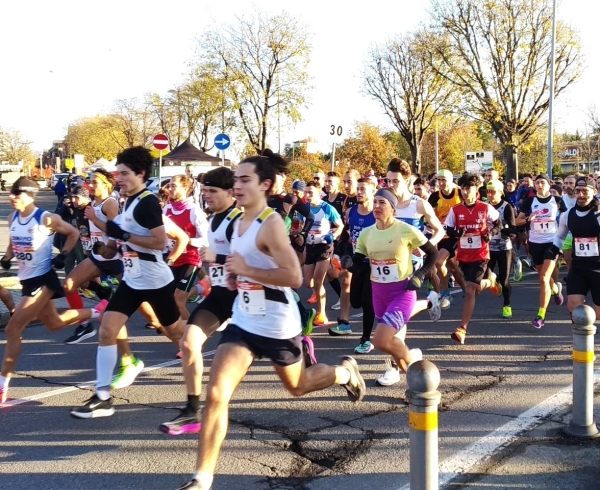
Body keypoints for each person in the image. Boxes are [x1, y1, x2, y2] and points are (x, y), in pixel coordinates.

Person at [176, 151, 365, 490]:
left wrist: (246, 270)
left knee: (298, 386)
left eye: (244, 180)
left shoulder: (270, 222)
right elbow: (240, 264)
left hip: (278, 322)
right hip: (246, 319)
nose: (237, 185)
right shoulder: (237, 222)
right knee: (217, 393)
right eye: (235, 179)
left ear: (264, 185)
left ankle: (343, 372)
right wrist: (235, 278)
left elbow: (293, 276)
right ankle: (201, 478)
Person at [70, 147, 185, 418]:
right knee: (108, 330)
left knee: (177, 334)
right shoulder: (126, 205)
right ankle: (102, 397)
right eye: (117, 173)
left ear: (141, 174)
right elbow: (112, 247)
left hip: (156, 281)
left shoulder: (146, 202)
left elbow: (159, 241)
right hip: (133, 281)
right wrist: (102, 248)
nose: (118, 178)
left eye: (124, 174)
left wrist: (122, 234)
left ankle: (205, 358)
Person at [0, 178, 108, 405]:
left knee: (13, 328)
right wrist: (8, 257)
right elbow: (12, 241)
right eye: (11, 192)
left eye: (17, 193)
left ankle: (3, 386)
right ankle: (97, 312)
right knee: (55, 324)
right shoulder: (12, 218)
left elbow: (73, 233)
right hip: (27, 281)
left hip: (44, 279)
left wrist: (62, 255)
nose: (12, 197)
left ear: (30, 195)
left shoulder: (46, 218)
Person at [160, 166, 242, 436]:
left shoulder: (240, 221)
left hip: (248, 299)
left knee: (296, 380)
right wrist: (208, 278)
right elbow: (214, 259)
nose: (206, 195)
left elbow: (253, 263)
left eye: (212, 191)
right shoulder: (213, 219)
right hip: (220, 295)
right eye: (204, 190)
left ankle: (334, 369)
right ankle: (192, 408)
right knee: (188, 341)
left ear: (231, 193)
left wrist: (215, 259)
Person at [344, 187, 438, 374]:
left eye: (382, 202)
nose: (377, 206)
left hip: (402, 292)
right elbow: (359, 266)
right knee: (397, 354)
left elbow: (433, 254)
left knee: (380, 340)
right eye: (375, 202)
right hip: (378, 294)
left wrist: (419, 275)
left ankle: (414, 357)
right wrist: (348, 264)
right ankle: (412, 377)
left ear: (393, 208)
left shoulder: (405, 230)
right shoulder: (366, 234)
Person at [445, 173, 503, 344]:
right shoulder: (455, 210)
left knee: (470, 290)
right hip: (463, 255)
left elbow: (499, 223)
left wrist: (490, 234)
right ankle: (491, 281)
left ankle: (462, 329)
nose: (464, 191)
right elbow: (448, 230)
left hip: (481, 254)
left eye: (468, 188)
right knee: (475, 290)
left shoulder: (485, 208)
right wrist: (457, 233)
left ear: (476, 189)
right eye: (462, 188)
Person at [515, 174, 566, 328]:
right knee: (544, 278)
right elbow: (517, 221)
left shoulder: (556, 201)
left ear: (549, 184)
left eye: (542, 182)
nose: (539, 185)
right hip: (535, 243)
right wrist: (528, 219)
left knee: (544, 278)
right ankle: (556, 290)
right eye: (537, 183)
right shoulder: (530, 201)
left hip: (552, 242)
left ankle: (540, 316)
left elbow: (566, 219)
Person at [546, 176, 600, 317]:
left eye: (584, 191)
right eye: (578, 191)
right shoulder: (568, 214)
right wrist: (553, 250)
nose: (580, 195)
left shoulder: (598, 214)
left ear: (594, 191)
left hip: (598, 268)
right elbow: (560, 236)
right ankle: (579, 338)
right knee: (573, 305)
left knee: (598, 312)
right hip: (578, 266)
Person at [334, 178, 376, 352]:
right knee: (355, 301)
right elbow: (347, 235)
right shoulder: (350, 211)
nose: (359, 192)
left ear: (373, 191)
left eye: (363, 189)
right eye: (358, 189)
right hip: (356, 261)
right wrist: (341, 253)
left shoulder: (377, 212)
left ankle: (365, 340)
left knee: (367, 302)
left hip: (373, 263)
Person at [163, 175, 209, 317]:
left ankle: (188, 332)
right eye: (169, 185)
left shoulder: (194, 211)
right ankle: (203, 287)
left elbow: (207, 240)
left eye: (173, 186)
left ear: (185, 188)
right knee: (167, 299)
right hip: (173, 258)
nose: (169, 189)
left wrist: (187, 240)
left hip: (191, 259)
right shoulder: (166, 210)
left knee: (178, 299)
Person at [301, 181, 343, 326]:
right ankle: (333, 267)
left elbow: (340, 225)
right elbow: (301, 226)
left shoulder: (327, 208)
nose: (307, 195)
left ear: (319, 194)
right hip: (310, 246)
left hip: (324, 247)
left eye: (310, 193)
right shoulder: (304, 208)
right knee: (308, 283)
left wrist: (333, 235)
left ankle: (321, 314)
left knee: (318, 282)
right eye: (305, 192)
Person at [428, 169, 468, 309]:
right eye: (439, 180)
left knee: (439, 262)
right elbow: (429, 215)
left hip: (456, 235)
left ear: (451, 180)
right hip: (441, 235)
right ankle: (465, 290)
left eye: (444, 180)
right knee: (453, 267)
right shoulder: (434, 196)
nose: (441, 183)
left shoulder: (459, 193)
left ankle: (446, 292)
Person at [485, 180, 517, 318]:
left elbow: (513, 229)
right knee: (485, 275)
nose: (490, 195)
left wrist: (501, 229)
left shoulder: (506, 207)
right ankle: (494, 280)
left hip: (504, 247)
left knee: (504, 279)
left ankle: (507, 304)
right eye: (488, 192)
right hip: (488, 248)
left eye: (493, 192)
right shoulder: (484, 206)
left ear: (500, 193)